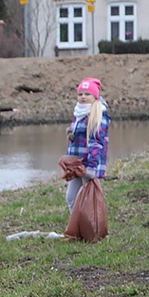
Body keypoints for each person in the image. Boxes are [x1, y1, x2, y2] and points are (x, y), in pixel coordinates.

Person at [63, 77, 110, 212]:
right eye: (80, 94)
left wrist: (91, 167)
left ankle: (91, 228)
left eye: (87, 94)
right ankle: (76, 227)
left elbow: (97, 142)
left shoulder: (98, 114)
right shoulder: (79, 113)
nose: (83, 97)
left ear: (95, 96)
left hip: (89, 165)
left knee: (88, 199)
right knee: (71, 197)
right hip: (76, 163)